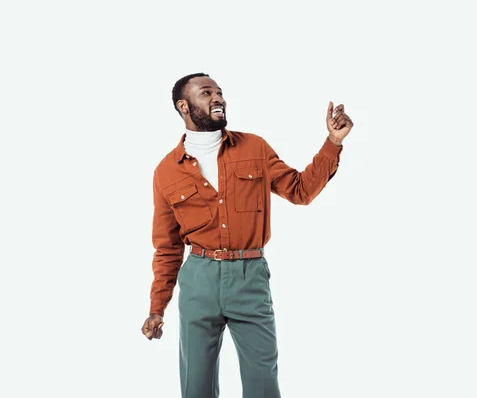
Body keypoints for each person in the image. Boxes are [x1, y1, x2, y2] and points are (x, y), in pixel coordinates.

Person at [140, 72, 354, 398]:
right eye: (206, 93)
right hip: (199, 279)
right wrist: (157, 308)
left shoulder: (254, 147)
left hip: (249, 277)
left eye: (220, 92)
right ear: (183, 106)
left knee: (263, 384)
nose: (218, 98)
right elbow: (167, 247)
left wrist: (333, 142)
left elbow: (300, 191)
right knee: (196, 385)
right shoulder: (166, 171)